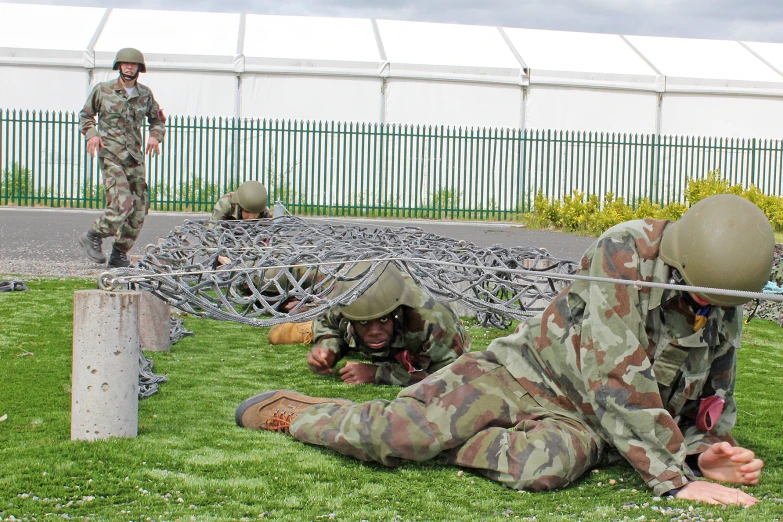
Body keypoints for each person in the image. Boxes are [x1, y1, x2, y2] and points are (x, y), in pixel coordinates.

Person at [235, 194, 772, 507]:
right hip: (522, 375)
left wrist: (703, 451)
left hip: (590, 424)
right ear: (683, 258)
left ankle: (441, 436)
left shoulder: (721, 293)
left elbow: (711, 393)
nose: (711, 307)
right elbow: (616, 376)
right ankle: (302, 415)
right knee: (399, 434)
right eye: (704, 295)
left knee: (546, 467)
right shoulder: (625, 254)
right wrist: (677, 479)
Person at [268, 262, 471, 386]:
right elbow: (330, 326)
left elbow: (450, 377)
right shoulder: (346, 303)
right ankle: (308, 330)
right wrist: (327, 349)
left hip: (415, 349)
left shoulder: (435, 321)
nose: (375, 331)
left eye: (383, 319)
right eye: (364, 322)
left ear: (398, 311)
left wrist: (378, 374)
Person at [78, 48, 166, 268]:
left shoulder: (145, 94)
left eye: (133, 64)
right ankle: (93, 235)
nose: (129, 67)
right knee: (122, 202)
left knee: (139, 208)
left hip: (134, 158)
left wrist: (155, 136)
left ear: (139, 68)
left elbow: (157, 120)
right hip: (111, 156)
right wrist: (93, 134)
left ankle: (118, 254)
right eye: (125, 64)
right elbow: (86, 116)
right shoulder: (103, 90)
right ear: (118, 66)